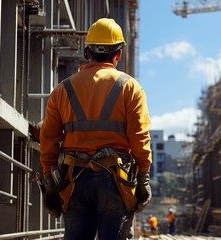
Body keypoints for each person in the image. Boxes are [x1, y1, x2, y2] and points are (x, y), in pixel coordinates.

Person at [39, 18, 152, 240]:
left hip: (74, 181)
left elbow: (48, 138)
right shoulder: (130, 88)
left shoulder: (62, 89)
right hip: (115, 181)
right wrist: (143, 178)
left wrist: (49, 181)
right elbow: (140, 136)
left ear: (87, 52)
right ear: (118, 54)